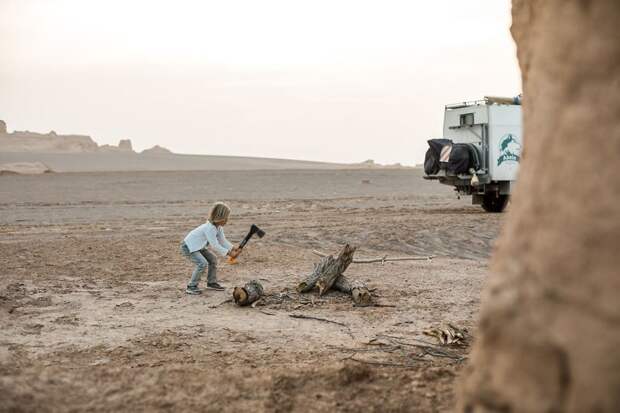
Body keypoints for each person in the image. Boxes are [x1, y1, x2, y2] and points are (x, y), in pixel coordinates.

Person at [180, 202, 239, 295]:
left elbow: (222, 240)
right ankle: (191, 286)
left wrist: (233, 248)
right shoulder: (210, 228)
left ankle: (211, 282)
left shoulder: (218, 227)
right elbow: (214, 245)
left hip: (199, 247)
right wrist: (229, 253)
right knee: (202, 263)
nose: (227, 220)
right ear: (219, 217)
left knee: (213, 260)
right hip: (188, 247)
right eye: (226, 218)